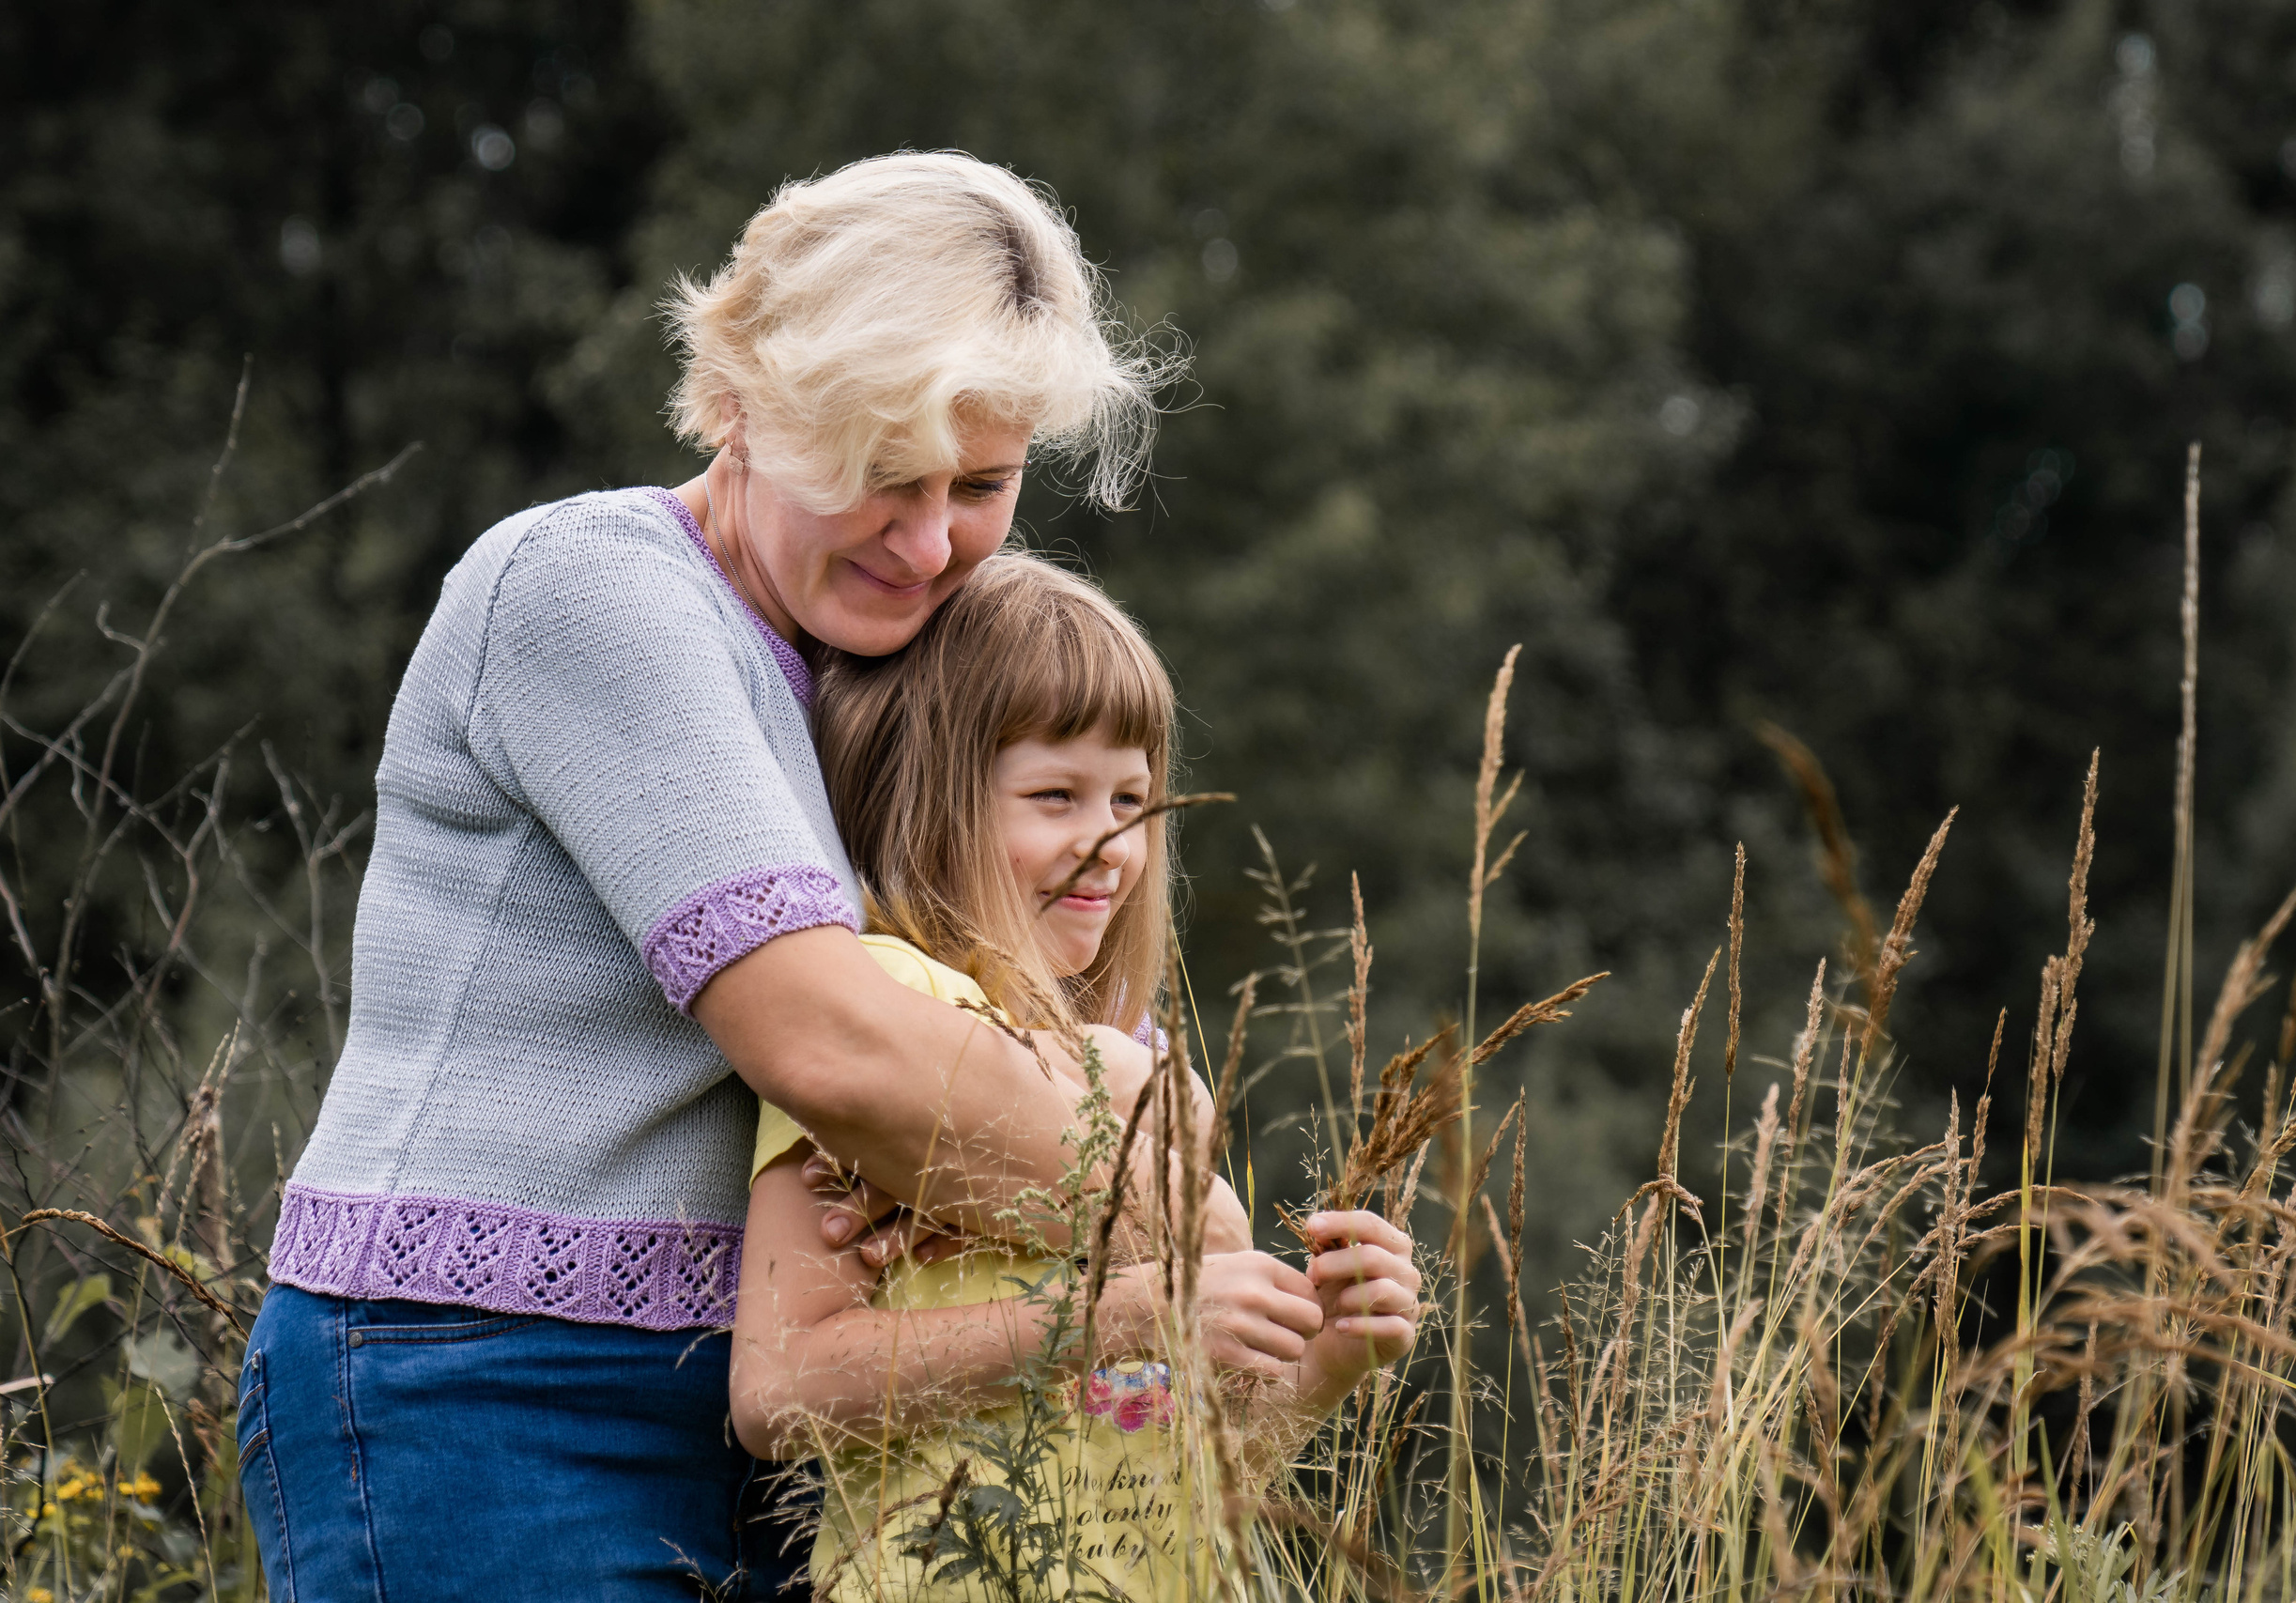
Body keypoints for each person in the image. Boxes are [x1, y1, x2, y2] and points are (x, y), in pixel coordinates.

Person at [239, 153, 1193, 1602]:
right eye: (881, 475)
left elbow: (976, 1011)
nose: (930, 541)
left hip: (793, 1414)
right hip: (481, 1380)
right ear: (741, 399)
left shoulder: (886, 667)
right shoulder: (594, 588)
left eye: (983, 485)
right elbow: (835, 1043)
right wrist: (1174, 1205)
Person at [730, 554, 1423, 1601]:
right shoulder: (887, 1007)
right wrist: (1128, 1311)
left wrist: (1329, 1358)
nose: (1111, 847)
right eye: (1055, 795)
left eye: (1133, 799)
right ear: (933, 797)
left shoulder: (1145, 1064)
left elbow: (1193, 1473)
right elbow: (778, 1392)